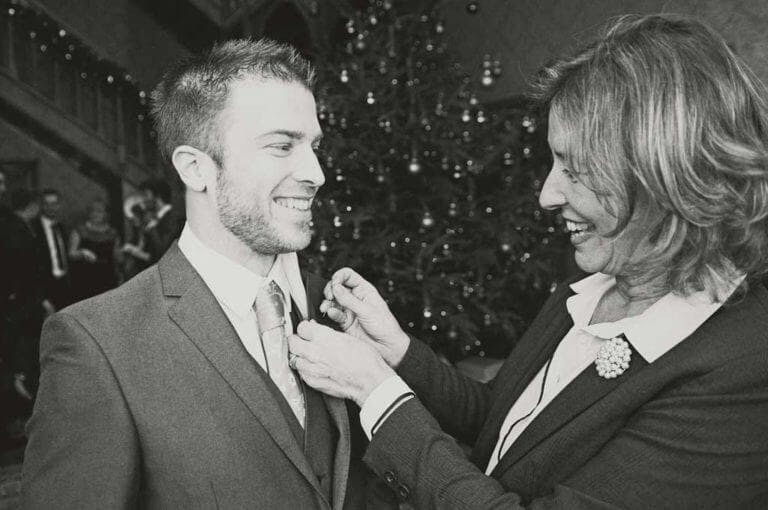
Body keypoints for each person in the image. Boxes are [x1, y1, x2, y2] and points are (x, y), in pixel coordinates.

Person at [287, 14, 768, 509]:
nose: (546, 194)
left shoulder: (744, 370)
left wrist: (378, 395)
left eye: (575, 169)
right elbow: (498, 419)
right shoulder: (589, 287)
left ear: (666, 175)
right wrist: (395, 350)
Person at [22, 39, 384, 509]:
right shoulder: (97, 345)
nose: (316, 172)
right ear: (196, 168)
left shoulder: (337, 308)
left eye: (314, 146)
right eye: (281, 145)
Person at [0, 188, 52, 400]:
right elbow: (21, 267)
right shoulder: (15, 230)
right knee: (22, 348)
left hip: (21, 299)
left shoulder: (14, 226)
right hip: (21, 301)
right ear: (33, 206)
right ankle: (20, 389)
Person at [68, 199, 121, 301]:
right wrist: (82, 253)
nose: (96, 214)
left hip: (108, 280)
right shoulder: (80, 230)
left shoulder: (112, 233)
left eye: (100, 211)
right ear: (89, 213)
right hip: (85, 281)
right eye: (93, 211)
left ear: (106, 214)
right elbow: (71, 254)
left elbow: (117, 258)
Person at [30, 188, 72, 310]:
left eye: (54, 204)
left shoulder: (61, 227)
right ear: (41, 206)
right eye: (47, 204)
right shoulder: (34, 228)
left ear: (59, 205)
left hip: (64, 283)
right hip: (45, 287)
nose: (51, 208)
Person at [139, 178, 183, 263]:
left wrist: (153, 228)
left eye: (146, 195)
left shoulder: (174, 219)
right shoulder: (155, 220)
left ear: (157, 197)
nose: (143, 200)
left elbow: (162, 253)